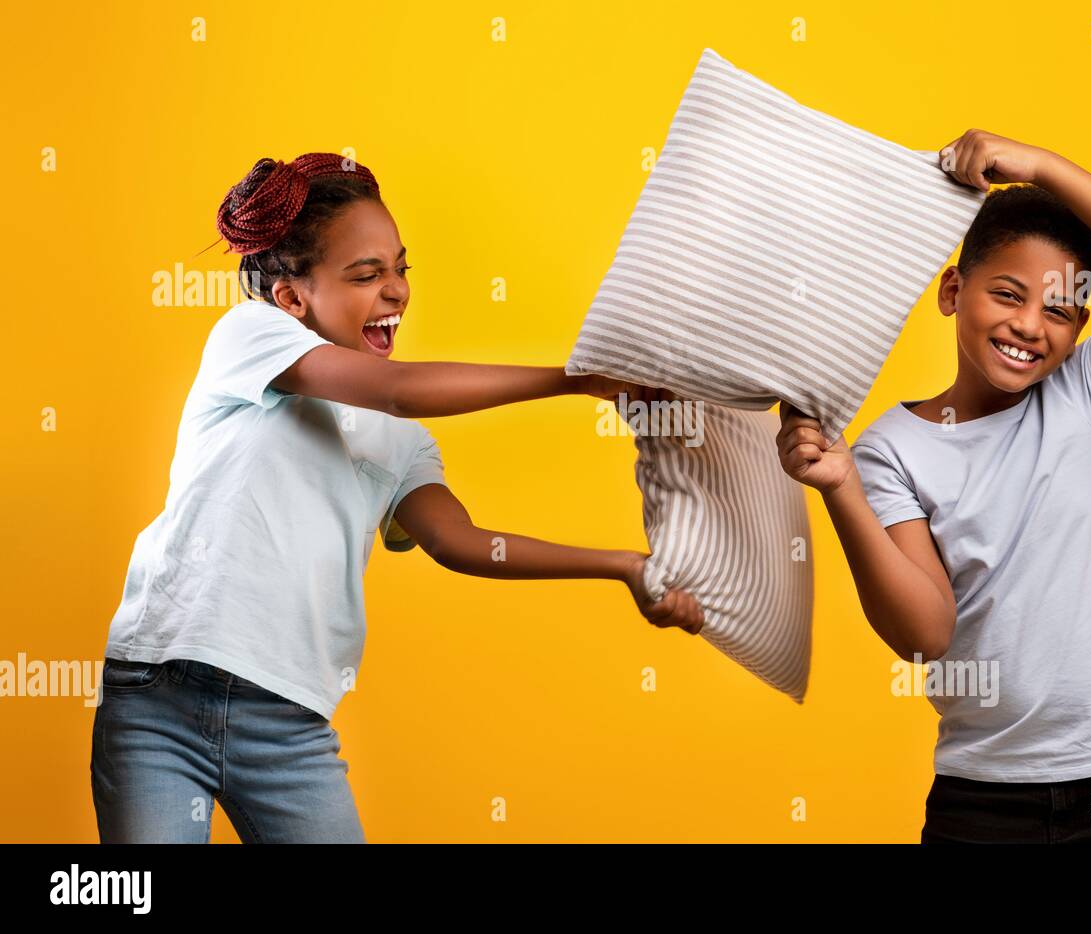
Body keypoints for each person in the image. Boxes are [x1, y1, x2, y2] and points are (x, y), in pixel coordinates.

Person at [92, 153, 701, 843]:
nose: (396, 291)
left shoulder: (402, 440)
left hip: (290, 725)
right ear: (292, 297)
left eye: (400, 269)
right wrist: (573, 380)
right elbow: (400, 386)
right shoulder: (253, 337)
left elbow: (458, 541)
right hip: (160, 701)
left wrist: (622, 564)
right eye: (366, 274)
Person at [776, 130, 1091, 843]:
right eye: (1007, 294)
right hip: (984, 797)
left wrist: (1040, 166)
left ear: (1078, 331)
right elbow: (924, 634)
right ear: (953, 290)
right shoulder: (891, 449)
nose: (1028, 326)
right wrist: (840, 486)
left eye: (1060, 311)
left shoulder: (1086, 394)